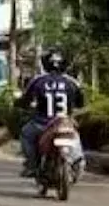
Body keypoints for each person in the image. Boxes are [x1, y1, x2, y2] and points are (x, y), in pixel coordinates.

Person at [16, 49, 86, 178]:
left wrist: (20, 104)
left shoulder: (38, 81)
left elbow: (25, 101)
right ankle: (77, 163)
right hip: (64, 123)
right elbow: (81, 103)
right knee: (75, 138)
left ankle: (32, 165)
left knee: (26, 134)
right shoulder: (72, 82)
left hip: (41, 124)